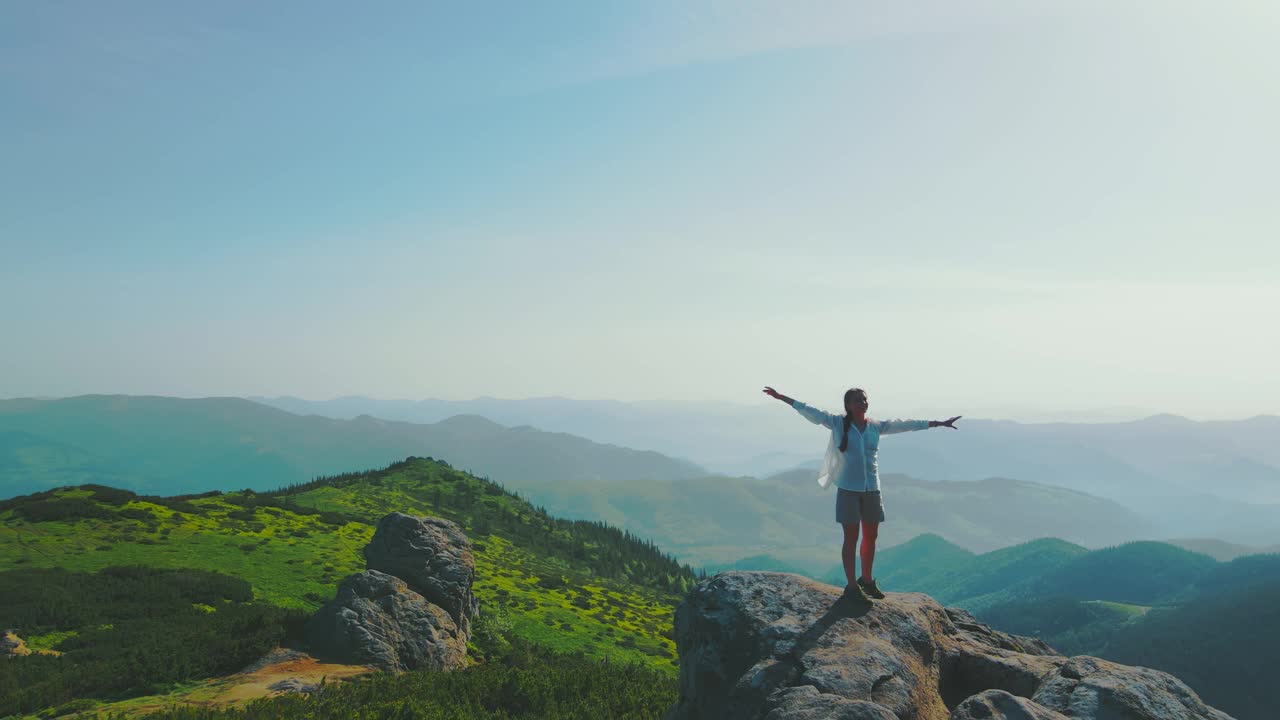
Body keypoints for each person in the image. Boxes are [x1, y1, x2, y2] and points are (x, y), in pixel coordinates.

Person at [762, 386, 960, 604]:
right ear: (848, 405)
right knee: (851, 538)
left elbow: (907, 424)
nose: (862, 403)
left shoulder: (876, 426)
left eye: (864, 400)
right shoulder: (837, 423)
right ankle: (851, 585)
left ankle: (866, 580)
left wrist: (938, 423)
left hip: (872, 489)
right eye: (857, 400)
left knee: (871, 537)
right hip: (848, 489)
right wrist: (782, 398)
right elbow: (811, 411)